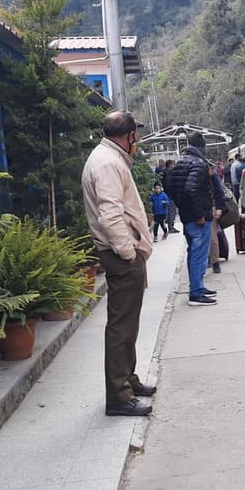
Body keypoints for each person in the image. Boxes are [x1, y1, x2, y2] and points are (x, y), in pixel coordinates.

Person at [81, 110, 156, 417]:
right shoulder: (108, 163)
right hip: (121, 255)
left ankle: (128, 380)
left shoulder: (106, 158)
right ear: (129, 137)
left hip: (122, 253)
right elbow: (110, 215)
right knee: (121, 326)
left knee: (128, 323)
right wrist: (129, 253)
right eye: (135, 135)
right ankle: (119, 396)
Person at [164, 132, 217, 306]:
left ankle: (198, 287)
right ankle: (196, 293)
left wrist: (183, 208)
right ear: (202, 147)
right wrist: (198, 215)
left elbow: (171, 188)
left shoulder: (180, 164)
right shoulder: (199, 164)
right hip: (198, 218)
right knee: (199, 255)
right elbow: (191, 189)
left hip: (187, 218)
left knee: (193, 253)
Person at [208, 161, 227, 273]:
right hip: (198, 210)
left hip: (211, 209)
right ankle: (206, 261)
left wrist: (219, 208)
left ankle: (215, 262)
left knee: (212, 238)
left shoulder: (213, 178)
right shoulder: (194, 177)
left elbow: (219, 193)